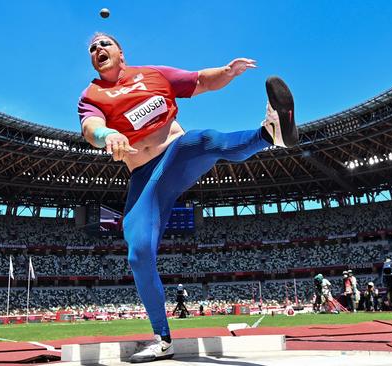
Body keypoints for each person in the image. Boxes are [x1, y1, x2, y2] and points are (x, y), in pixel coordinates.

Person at [78, 33, 297, 363]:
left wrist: (228, 71)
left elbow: (200, 81)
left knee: (205, 139)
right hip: (145, 178)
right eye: (92, 49)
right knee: (138, 253)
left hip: (177, 154)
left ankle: (268, 134)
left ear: (121, 52)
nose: (98, 50)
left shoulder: (153, 75)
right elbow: (90, 127)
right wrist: (108, 134)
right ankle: (163, 340)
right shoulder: (91, 94)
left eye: (104, 44)